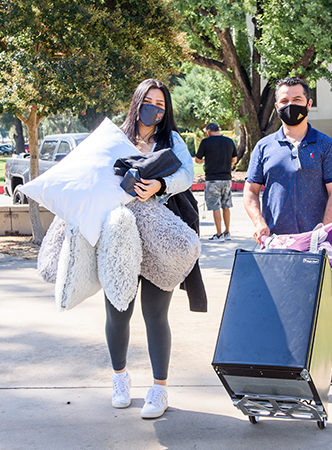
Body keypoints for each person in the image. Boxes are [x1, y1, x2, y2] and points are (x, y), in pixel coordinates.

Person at [107, 79, 194, 420]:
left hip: (159, 234)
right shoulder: (116, 137)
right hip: (120, 234)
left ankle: (159, 389)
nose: (155, 109)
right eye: (149, 101)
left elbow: (188, 174)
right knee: (118, 310)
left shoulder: (171, 140)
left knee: (155, 313)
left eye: (161, 104)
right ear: (137, 101)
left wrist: (161, 185)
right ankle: (120, 379)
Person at [243, 77, 332, 244]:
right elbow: (250, 191)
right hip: (274, 241)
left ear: (309, 104)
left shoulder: (326, 145)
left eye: (297, 99)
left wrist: (325, 232)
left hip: (314, 242)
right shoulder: (263, 147)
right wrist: (259, 223)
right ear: (277, 107)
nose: (290, 105)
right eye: (284, 101)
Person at [195, 123, 237, 241]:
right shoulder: (229, 141)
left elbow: (197, 160)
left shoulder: (206, 142)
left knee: (215, 207)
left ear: (209, 131)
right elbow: (234, 160)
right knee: (226, 206)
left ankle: (219, 234)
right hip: (227, 179)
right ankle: (227, 232)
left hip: (212, 179)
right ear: (219, 130)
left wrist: (206, 160)